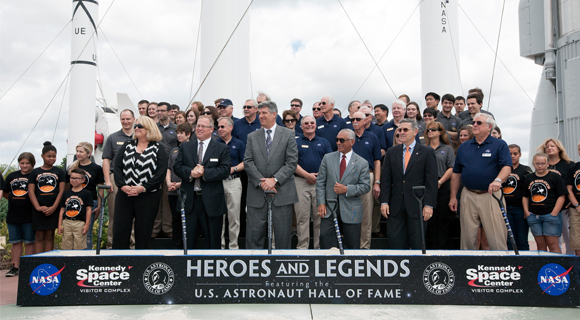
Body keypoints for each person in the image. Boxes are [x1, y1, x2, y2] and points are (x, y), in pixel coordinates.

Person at [449, 113, 512, 250]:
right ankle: (467, 267)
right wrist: (453, 197)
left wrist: (498, 180)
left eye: (479, 123)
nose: (474, 125)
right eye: (474, 123)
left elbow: (507, 167)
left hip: (491, 195)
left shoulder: (499, 145)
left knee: (496, 237)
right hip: (468, 194)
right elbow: (456, 173)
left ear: (489, 127)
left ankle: (500, 267)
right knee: (467, 238)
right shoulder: (464, 147)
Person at [244, 100, 298, 250]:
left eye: (264, 113)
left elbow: (292, 162)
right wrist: (262, 182)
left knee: (282, 237)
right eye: (259, 113)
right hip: (257, 193)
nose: (260, 116)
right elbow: (248, 162)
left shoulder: (288, 134)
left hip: (282, 192)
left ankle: (281, 269)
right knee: (254, 237)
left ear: (274, 114)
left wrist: (274, 180)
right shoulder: (252, 136)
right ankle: (254, 269)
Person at [174, 116, 231, 249]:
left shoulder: (221, 148)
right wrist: (191, 173)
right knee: (188, 242)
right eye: (198, 126)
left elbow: (225, 170)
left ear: (211, 129)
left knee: (213, 242)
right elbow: (177, 167)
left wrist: (204, 173)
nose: (199, 129)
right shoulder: (185, 146)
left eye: (203, 126)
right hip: (189, 201)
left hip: (212, 202)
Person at [380, 119, 437, 249]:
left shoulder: (427, 152)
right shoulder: (391, 152)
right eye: (400, 130)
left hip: (418, 205)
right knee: (396, 243)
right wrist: (384, 202)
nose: (401, 132)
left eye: (405, 130)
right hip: (395, 206)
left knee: (417, 243)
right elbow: (386, 180)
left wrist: (428, 205)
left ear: (415, 131)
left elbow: (431, 181)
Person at [112, 116, 168, 249]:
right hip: (125, 194)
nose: (136, 128)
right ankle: (119, 261)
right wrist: (123, 186)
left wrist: (143, 188)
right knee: (120, 230)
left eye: (140, 126)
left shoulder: (159, 148)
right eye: (136, 126)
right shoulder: (127, 145)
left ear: (149, 128)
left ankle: (140, 263)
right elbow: (117, 167)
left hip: (148, 196)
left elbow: (160, 173)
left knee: (143, 231)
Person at [316, 129, 371, 249]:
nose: (338, 143)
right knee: (325, 239)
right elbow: (320, 182)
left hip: (351, 209)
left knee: (352, 245)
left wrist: (347, 189)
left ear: (352, 142)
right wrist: (321, 203)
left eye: (342, 140)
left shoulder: (362, 163)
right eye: (337, 140)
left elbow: (366, 186)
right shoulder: (327, 158)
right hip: (329, 207)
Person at [295, 116, 332, 249]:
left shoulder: (324, 142)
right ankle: (302, 247)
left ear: (315, 125)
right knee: (302, 218)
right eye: (306, 123)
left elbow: (329, 163)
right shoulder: (295, 141)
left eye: (312, 123)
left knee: (319, 218)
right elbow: (292, 162)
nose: (309, 125)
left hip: (320, 184)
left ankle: (318, 249)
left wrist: (318, 177)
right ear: (301, 126)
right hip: (300, 182)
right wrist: (307, 175)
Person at [101, 109, 135, 248]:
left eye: (128, 119)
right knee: (115, 215)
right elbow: (106, 160)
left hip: (134, 178)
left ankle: (133, 245)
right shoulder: (112, 138)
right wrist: (108, 181)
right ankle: (111, 245)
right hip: (115, 177)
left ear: (133, 119)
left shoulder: (139, 137)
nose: (125, 121)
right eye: (123, 119)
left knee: (134, 215)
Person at [523, 153, 568, 253]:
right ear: (533, 164)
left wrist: (554, 213)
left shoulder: (555, 177)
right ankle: (542, 267)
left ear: (548, 164)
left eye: (542, 163)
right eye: (537, 163)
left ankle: (557, 267)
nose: (540, 166)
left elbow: (562, 195)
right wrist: (527, 212)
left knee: (552, 244)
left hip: (550, 215)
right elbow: (525, 196)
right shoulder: (529, 178)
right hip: (534, 216)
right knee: (540, 245)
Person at [538, 137, 575, 254]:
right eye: (547, 147)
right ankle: (557, 263)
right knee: (554, 240)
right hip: (548, 208)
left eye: (552, 146)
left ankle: (571, 264)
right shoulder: (542, 165)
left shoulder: (569, 165)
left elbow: (573, 185)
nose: (549, 148)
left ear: (559, 148)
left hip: (565, 209)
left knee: (569, 237)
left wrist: (572, 201)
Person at [28, 141, 66, 253]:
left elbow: (61, 190)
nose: (51, 158)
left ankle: (48, 261)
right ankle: (38, 261)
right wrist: (38, 207)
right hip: (38, 209)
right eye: (48, 156)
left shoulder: (59, 171)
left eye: (54, 156)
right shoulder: (35, 172)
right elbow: (30, 191)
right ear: (42, 156)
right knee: (39, 236)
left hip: (53, 208)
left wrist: (54, 207)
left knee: (50, 236)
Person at [352, 111, 382, 249]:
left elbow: (377, 161)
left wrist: (376, 182)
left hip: (367, 175)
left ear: (365, 121)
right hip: (349, 176)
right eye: (353, 119)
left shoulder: (373, 137)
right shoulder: (347, 136)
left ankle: (364, 246)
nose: (355, 121)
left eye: (358, 119)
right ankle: (351, 246)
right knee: (349, 212)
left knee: (366, 213)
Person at [3, 152, 36, 277]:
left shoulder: (34, 175)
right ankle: (15, 266)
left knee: (29, 241)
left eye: (27, 163)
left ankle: (27, 266)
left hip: (30, 214)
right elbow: (6, 192)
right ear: (19, 163)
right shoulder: (12, 176)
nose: (25, 165)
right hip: (14, 214)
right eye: (22, 163)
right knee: (15, 241)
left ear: (32, 164)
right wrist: (14, 199)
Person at [67, 142, 104, 249]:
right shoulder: (71, 167)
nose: (78, 154)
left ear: (89, 153)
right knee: (72, 231)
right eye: (77, 151)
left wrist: (99, 206)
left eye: (81, 152)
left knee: (86, 231)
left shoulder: (96, 168)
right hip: (73, 202)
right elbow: (66, 187)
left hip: (90, 203)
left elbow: (100, 189)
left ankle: (86, 256)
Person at [423, 122, 455, 249]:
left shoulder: (447, 149)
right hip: (427, 185)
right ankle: (430, 246)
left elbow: (451, 167)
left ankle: (441, 247)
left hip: (443, 184)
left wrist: (440, 182)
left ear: (440, 132)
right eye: (428, 130)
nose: (430, 131)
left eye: (433, 129)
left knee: (442, 217)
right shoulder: (424, 148)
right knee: (429, 217)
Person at [217, 117, 245, 249]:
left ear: (230, 127)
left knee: (234, 215)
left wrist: (233, 169)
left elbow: (245, 162)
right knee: (219, 216)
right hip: (218, 182)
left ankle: (234, 246)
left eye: (223, 127)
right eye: (219, 127)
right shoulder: (215, 143)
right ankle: (221, 246)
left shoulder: (239, 144)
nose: (220, 129)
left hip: (234, 181)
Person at [153, 102, 179, 239]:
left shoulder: (176, 128)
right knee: (156, 199)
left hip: (171, 169)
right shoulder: (153, 128)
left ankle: (168, 228)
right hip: (156, 168)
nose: (160, 113)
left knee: (168, 200)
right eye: (158, 110)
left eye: (162, 110)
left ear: (170, 112)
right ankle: (155, 229)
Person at [166, 122, 193, 249]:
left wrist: (180, 184)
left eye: (182, 133)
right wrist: (168, 183)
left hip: (185, 188)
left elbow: (193, 171)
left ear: (188, 134)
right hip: (172, 190)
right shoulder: (174, 150)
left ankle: (187, 244)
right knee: (175, 218)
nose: (179, 135)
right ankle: (176, 245)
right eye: (178, 133)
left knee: (187, 218)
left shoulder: (193, 149)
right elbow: (168, 168)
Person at [503, 144, 533, 250]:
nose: (512, 156)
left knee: (522, 239)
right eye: (510, 154)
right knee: (509, 240)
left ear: (520, 154)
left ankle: (525, 262)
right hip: (505, 208)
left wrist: (527, 209)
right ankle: (512, 263)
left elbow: (530, 190)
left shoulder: (525, 170)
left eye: (515, 154)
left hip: (520, 208)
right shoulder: (502, 169)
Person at [58, 168, 93, 250]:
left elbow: (88, 210)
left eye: (76, 178)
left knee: (79, 246)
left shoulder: (87, 193)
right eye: (72, 178)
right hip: (67, 222)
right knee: (66, 245)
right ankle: (67, 262)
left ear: (83, 180)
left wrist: (87, 224)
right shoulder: (66, 193)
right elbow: (62, 209)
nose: (74, 180)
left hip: (79, 223)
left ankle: (79, 262)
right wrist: (60, 224)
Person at [566, 141, 580, 256]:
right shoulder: (573, 167)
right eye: (579, 148)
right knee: (577, 240)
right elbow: (569, 189)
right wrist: (576, 205)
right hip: (576, 209)